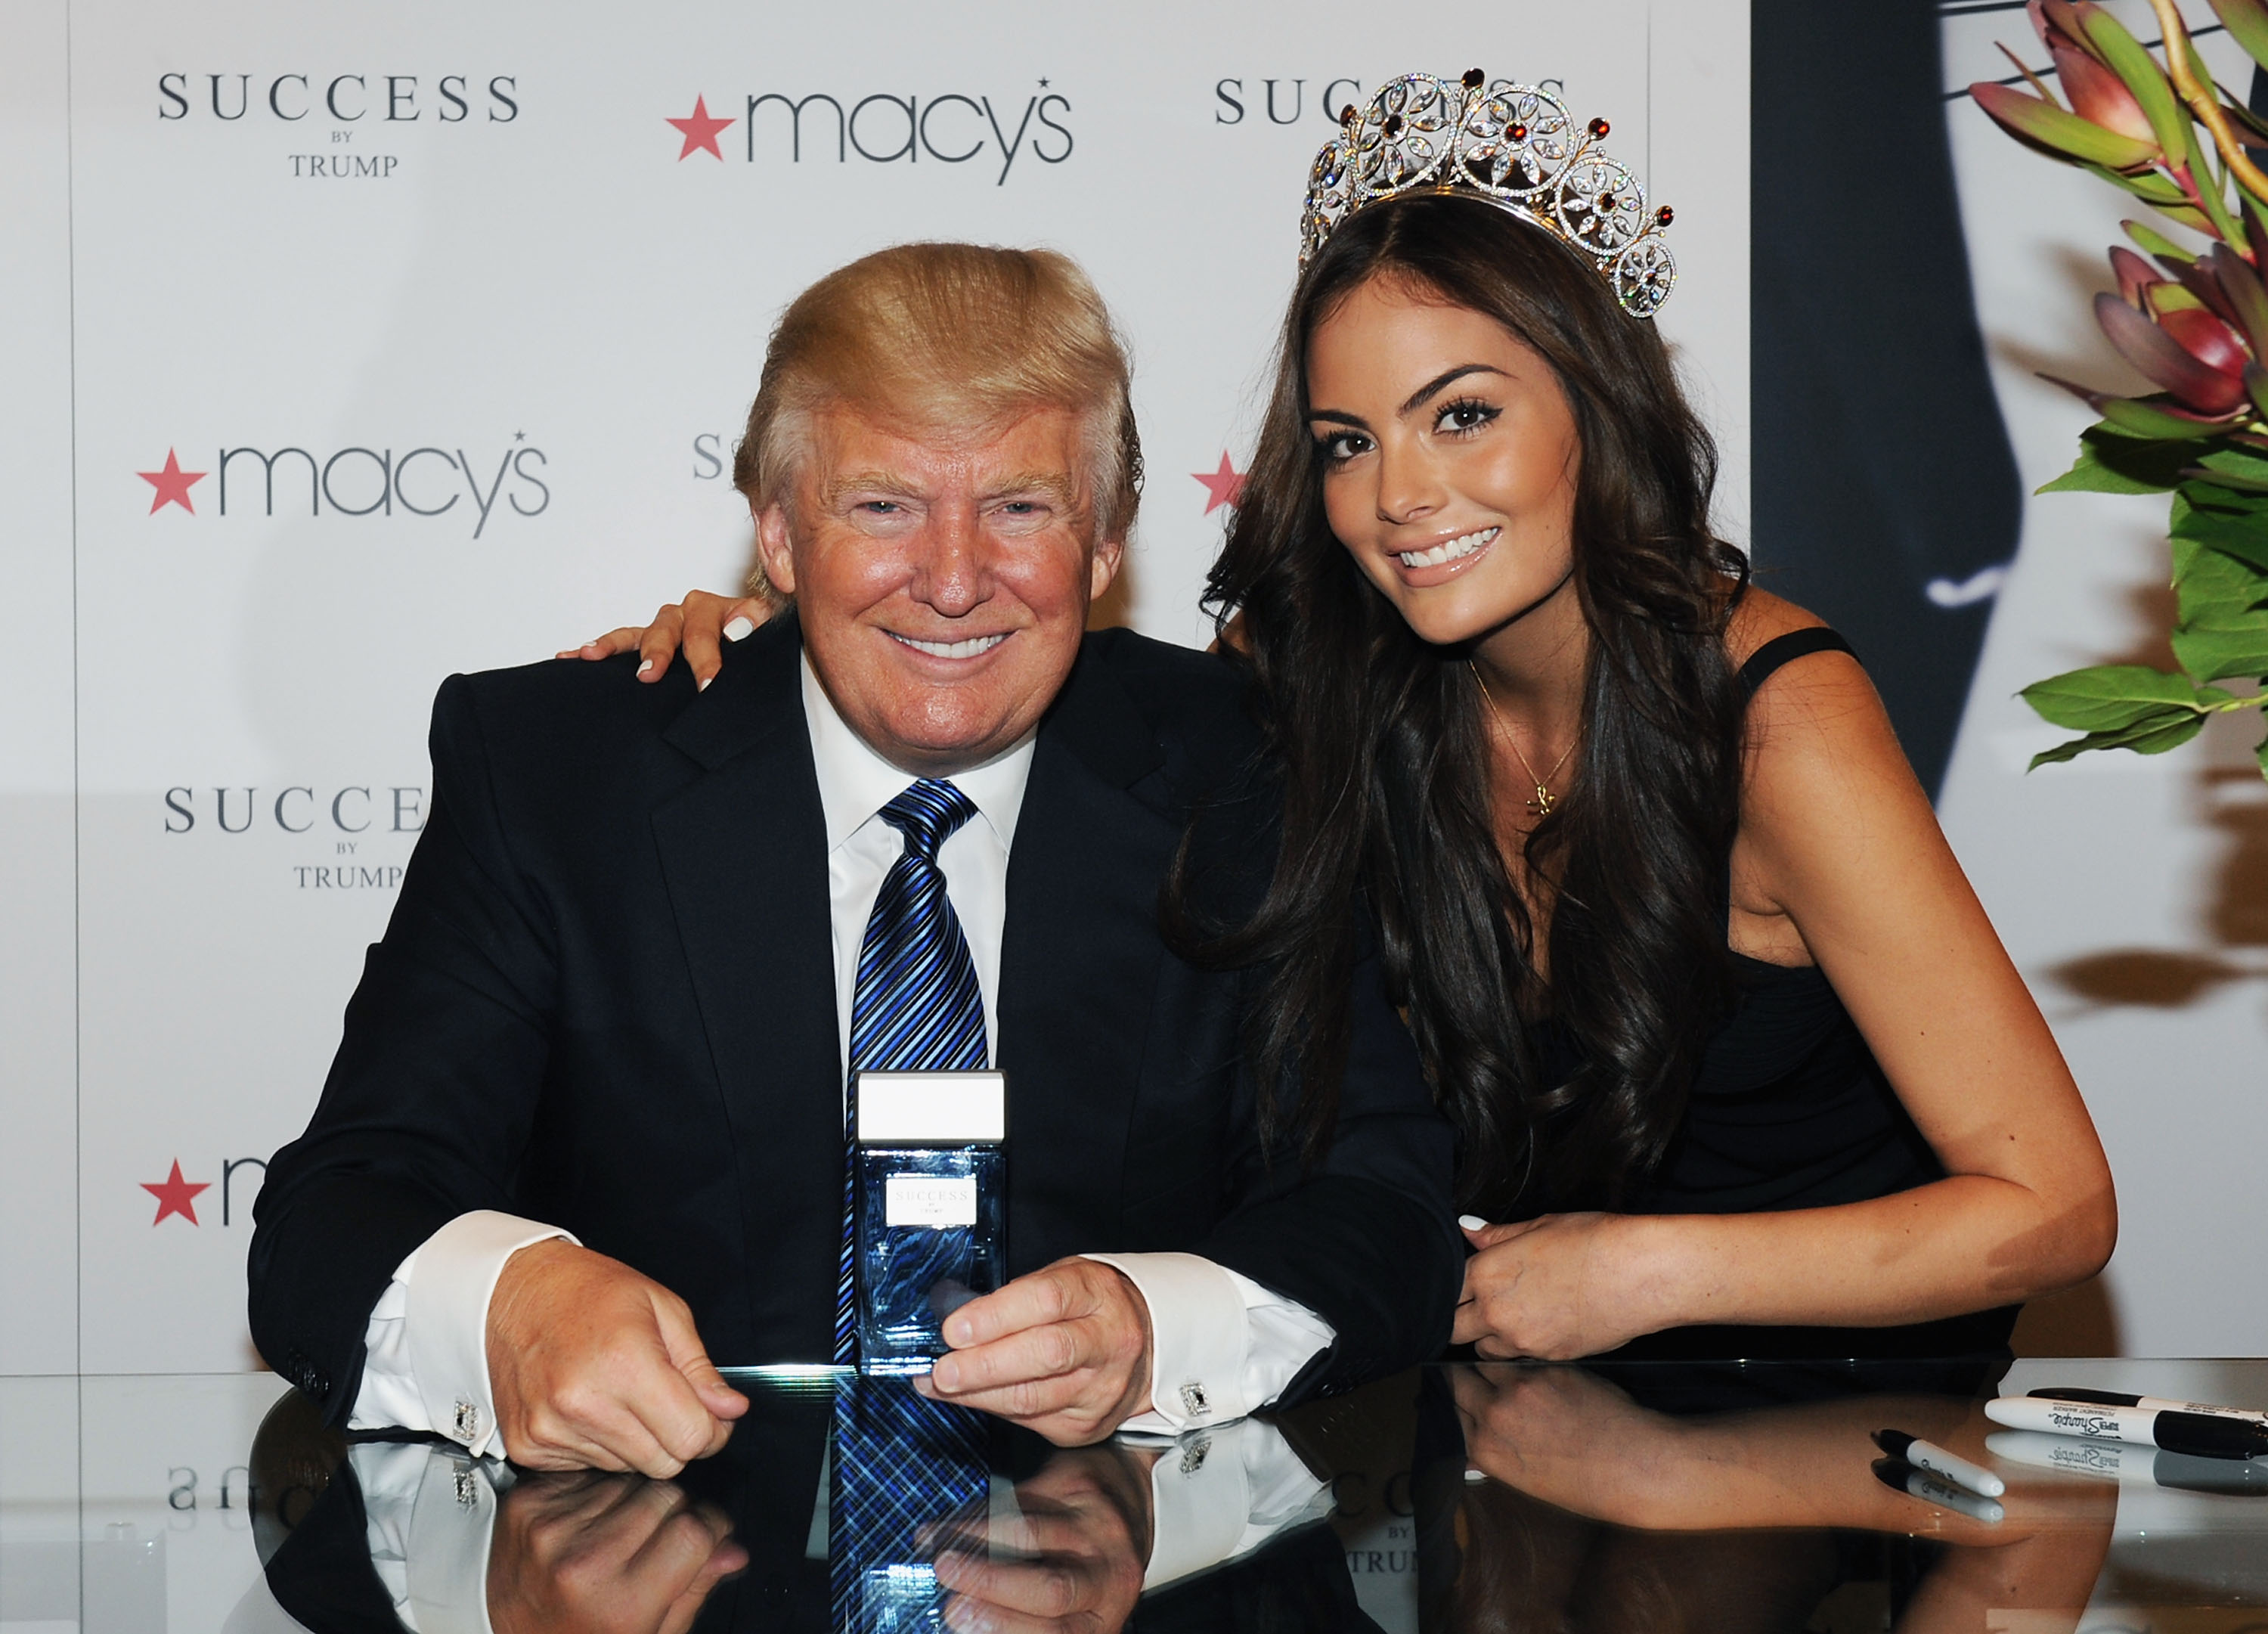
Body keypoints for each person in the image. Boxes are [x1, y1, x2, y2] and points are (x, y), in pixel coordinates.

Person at [584, 73, 2116, 1362]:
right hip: (1512, 1433)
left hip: (1835, 1426)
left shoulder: (1775, 723)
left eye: (1464, 415)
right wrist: (771, 646)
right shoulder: (1326, 670)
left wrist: (1642, 1271)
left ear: (1594, 404)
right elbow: (994, 647)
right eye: (1345, 440)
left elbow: (2052, 1204)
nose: (1400, 496)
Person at [248, 243, 1461, 1481]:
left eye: (1020, 507)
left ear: (1101, 547)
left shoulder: (1253, 767)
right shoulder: (555, 776)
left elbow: (1387, 1216)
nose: (951, 579)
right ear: (779, 534)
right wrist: (507, 1306)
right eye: (882, 506)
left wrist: (1158, 1330)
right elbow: (331, 1219)